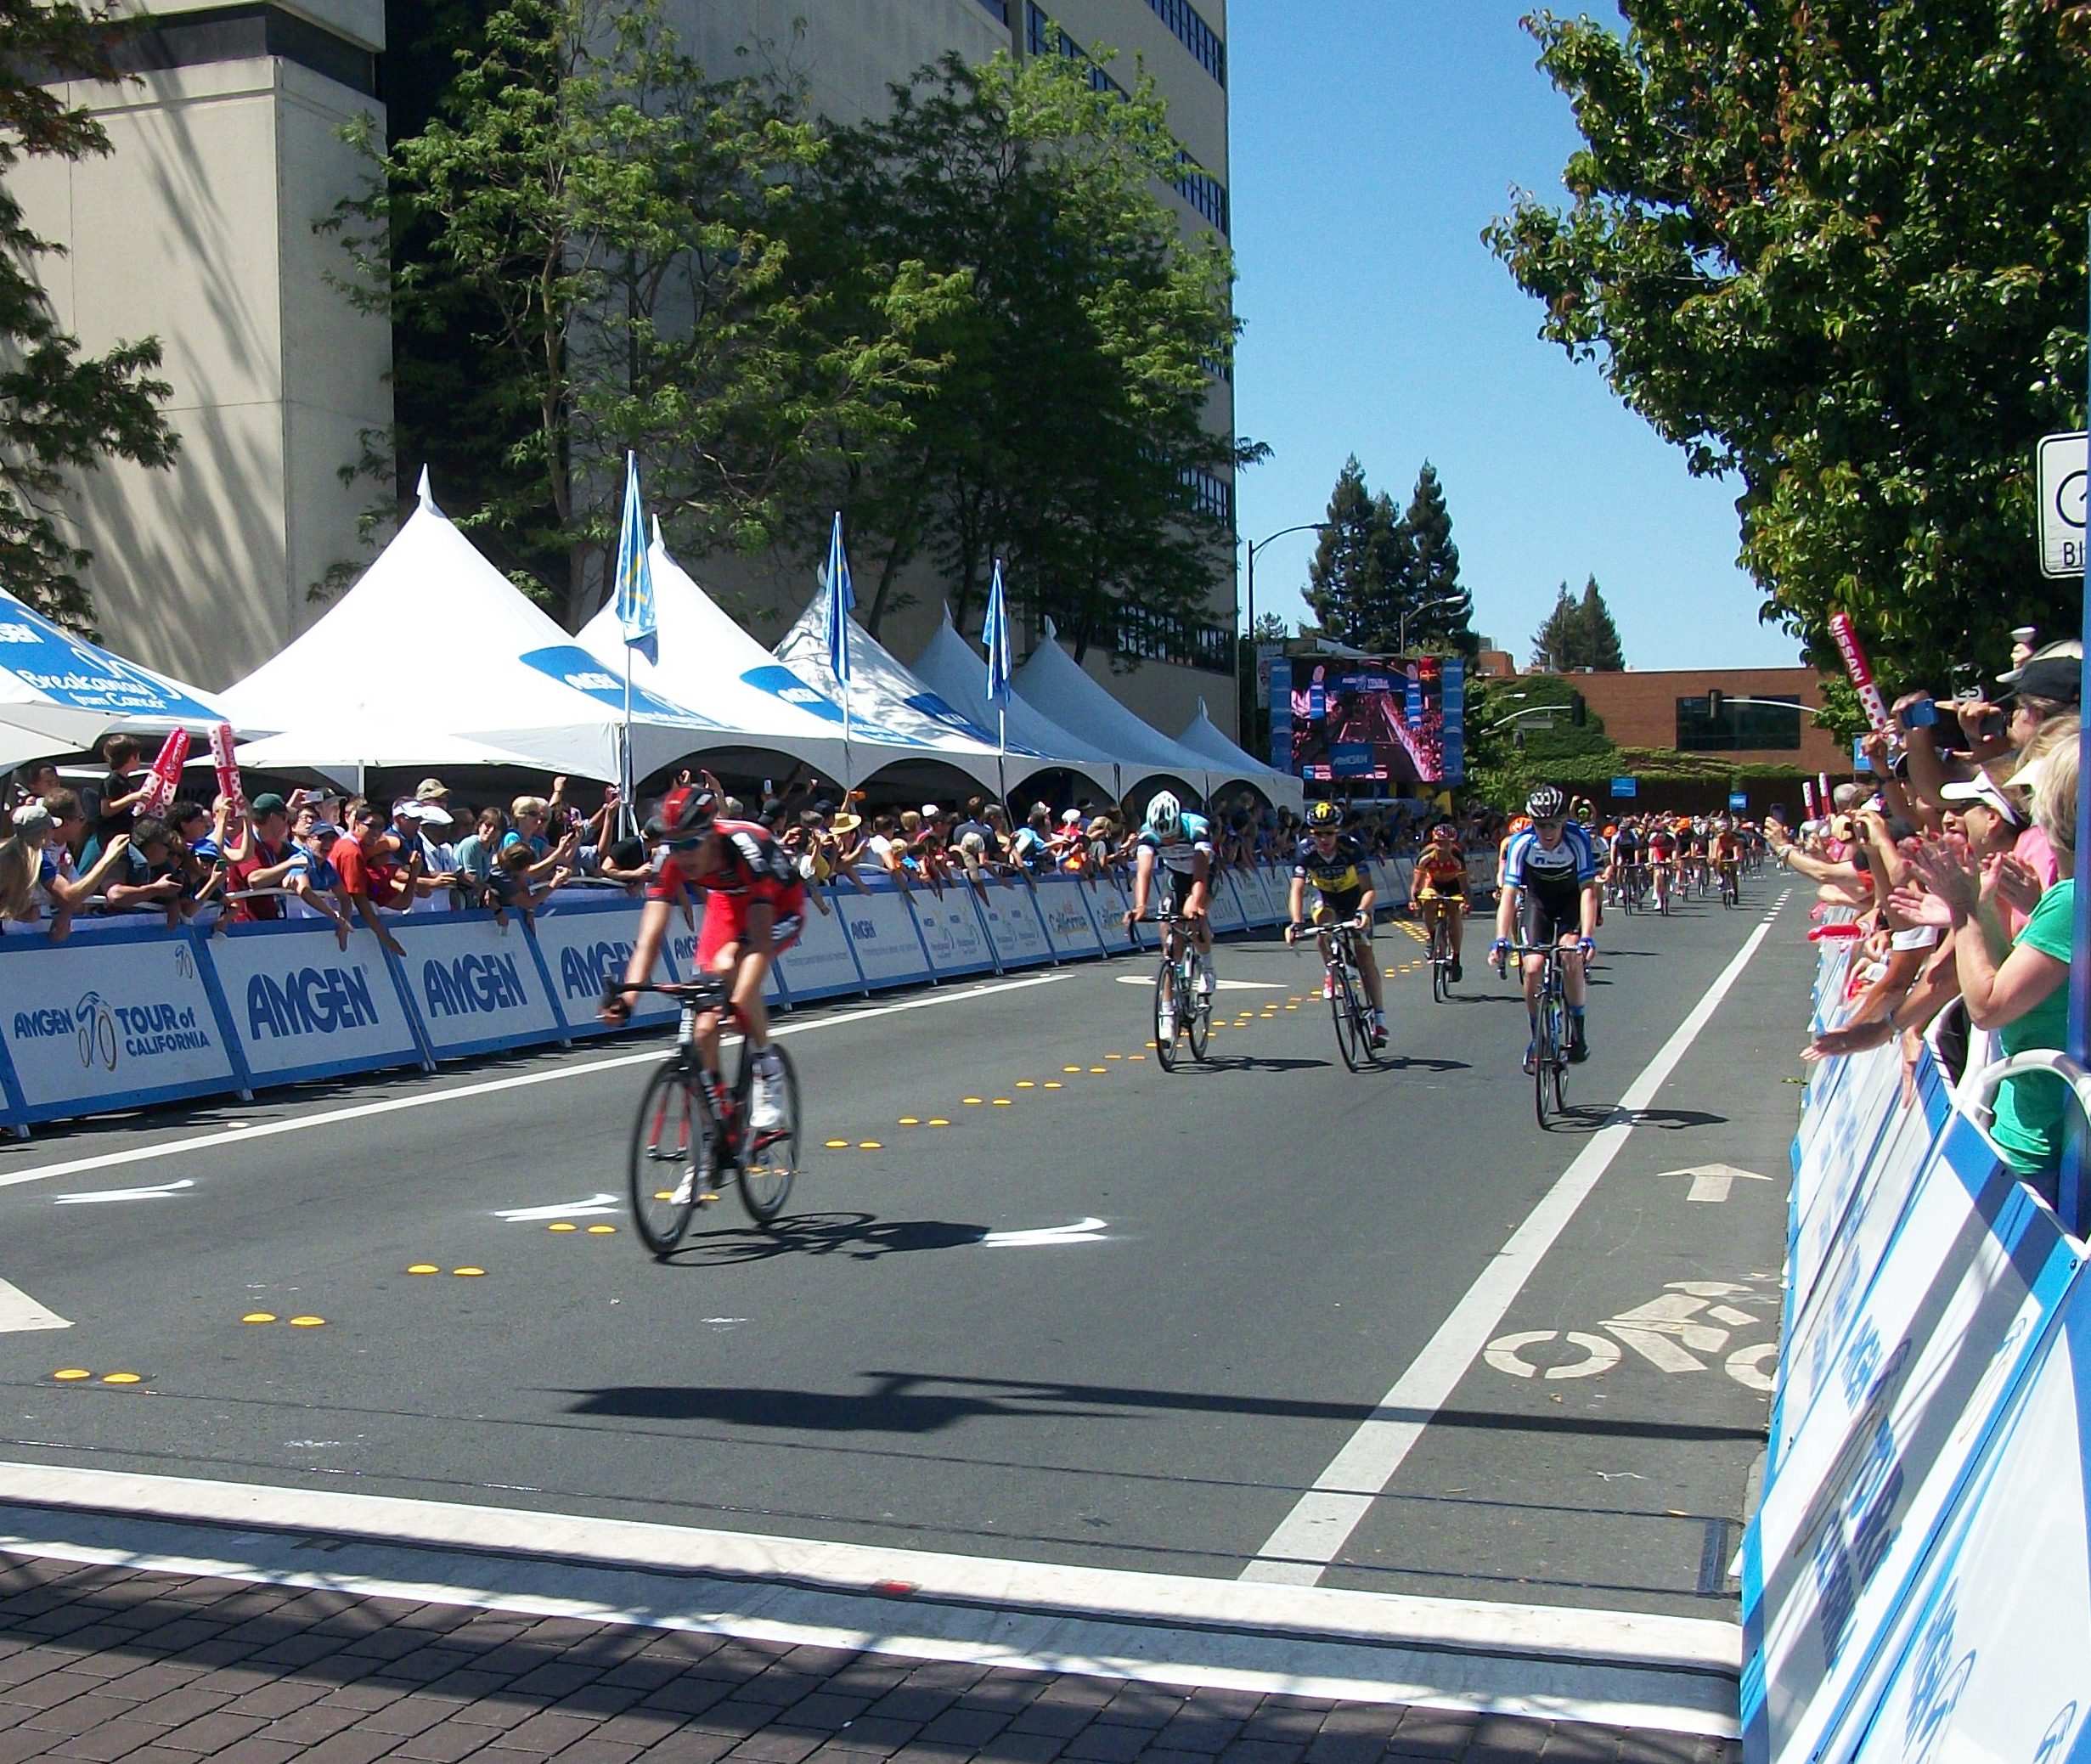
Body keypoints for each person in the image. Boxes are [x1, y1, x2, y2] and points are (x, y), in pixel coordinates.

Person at [1908, 744, 2077, 1198]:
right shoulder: (2061, 899)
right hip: (2047, 1127)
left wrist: (1962, 909)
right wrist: (1991, 905)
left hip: (2037, 1136)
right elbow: (2015, 974)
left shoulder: (2072, 898)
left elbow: (1987, 1006)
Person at [603, 784, 804, 1139]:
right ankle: (714, 1138)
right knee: (704, 1030)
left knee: (734, 975)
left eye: (691, 843)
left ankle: (766, 1067)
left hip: (777, 904)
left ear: (712, 834)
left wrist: (740, 996)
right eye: (675, 845)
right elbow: (649, 939)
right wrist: (628, 998)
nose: (683, 855)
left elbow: (757, 943)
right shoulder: (668, 858)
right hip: (727, 903)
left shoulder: (746, 847)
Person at [1491, 785, 1601, 1071]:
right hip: (1538, 903)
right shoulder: (1521, 843)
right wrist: (1500, 939)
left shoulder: (1577, 840)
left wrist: (1587, 936)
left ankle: (1578, 1033)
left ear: (1565, 821)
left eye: (1554, 824)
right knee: (1531, 967)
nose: (1547, 832)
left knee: (1569, 955)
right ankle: (1538, 1038)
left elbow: (1588, 891)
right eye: (1540, 825)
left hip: (1570, 902)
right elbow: (1509, 895)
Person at [1287, 798, 1385, 1045]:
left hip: (1354, 898)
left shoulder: (1351, 848)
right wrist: (1296, 923)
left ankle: (1380, 1018)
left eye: (1329, 833)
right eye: (1318, 834)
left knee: (1365, 957)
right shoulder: (1306, 850)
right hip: (1326, 897)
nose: (1324, 839)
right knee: (1323, 925)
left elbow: (1369, 889)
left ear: (1338, 831)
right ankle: (1331, 969)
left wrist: (1363, 911)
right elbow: (1297, 890)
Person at [1122, 791, 1216, 1029]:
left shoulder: (1197, 827)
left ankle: (1207, 966)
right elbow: (1143, 873)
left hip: (1203, 875)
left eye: (1172, 836)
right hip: (1175, 876)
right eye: (1162, 838)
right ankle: (1167, 1009)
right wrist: (1140, 906)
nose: (1166, 842)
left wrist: (1195, 901)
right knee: (1169, 948)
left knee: (1192, 914)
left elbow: (1200, 873)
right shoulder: (1147, 833)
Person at [1409, 818, 1468, 981]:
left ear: (1453, 843)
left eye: (1447, 843)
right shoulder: (1426, 856)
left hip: (1453, 884)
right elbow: (1416, 883)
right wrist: (1414, 901)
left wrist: (1466, 901)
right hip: (1433, 882)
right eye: (1439, 843)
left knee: (1454, 911)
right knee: (1427, 901)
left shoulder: (1457, 857)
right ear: (1433, 842)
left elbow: (1464, 884)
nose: (1443, 847)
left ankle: (1456, 957)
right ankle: (1432, 936)